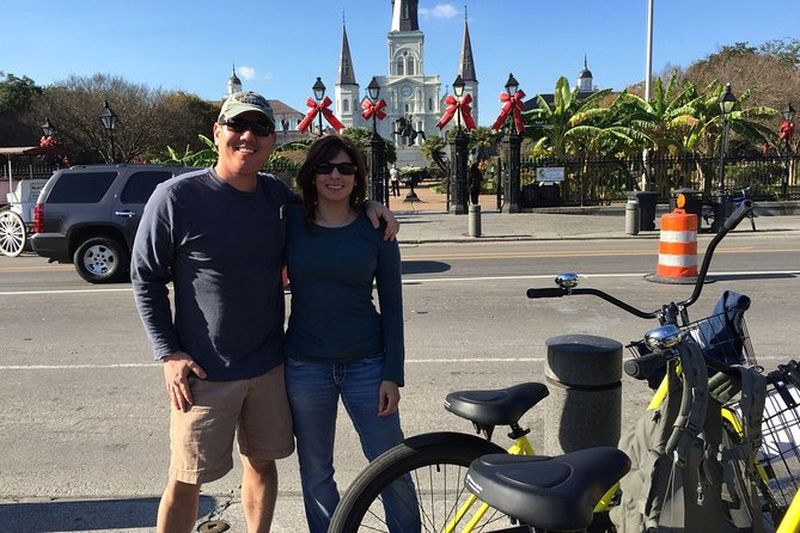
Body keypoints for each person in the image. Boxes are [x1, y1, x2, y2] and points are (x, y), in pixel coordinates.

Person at [131, 91, 398, 533]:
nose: (247, 137)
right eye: (238, 126)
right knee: (186, 478)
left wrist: (367, 204)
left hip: (271, 366)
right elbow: (146, 279)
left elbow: (329, 198)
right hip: (204, 371)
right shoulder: (176, 197)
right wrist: (169, 353)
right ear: (218, 132)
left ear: (272, 141)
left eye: (260, 129)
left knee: (262, 465)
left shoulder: (276, 196)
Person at [284, 135, 418, 532]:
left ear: (358, 177)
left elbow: (393, 306)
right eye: (325, 167)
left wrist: (393, 373)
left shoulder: (377, 228)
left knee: (392, 465)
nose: (335, 175)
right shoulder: (291, 220)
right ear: (311, 176)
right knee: (316, 472)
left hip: (368, 366)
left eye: (345, 168)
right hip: (306, 367)